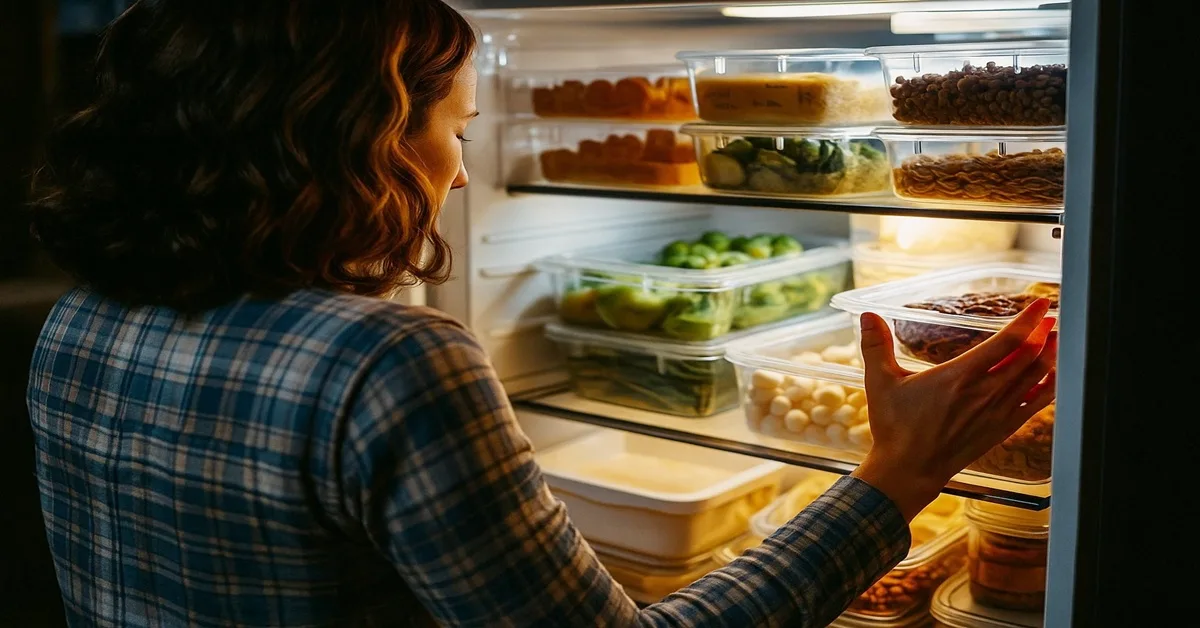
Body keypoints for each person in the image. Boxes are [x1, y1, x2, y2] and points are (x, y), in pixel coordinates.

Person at [25, 1, 1058, 626]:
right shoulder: (385, 361)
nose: (459, 176)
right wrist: (895, 474)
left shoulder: (77, 323)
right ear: (357, 139)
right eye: (455, 131)